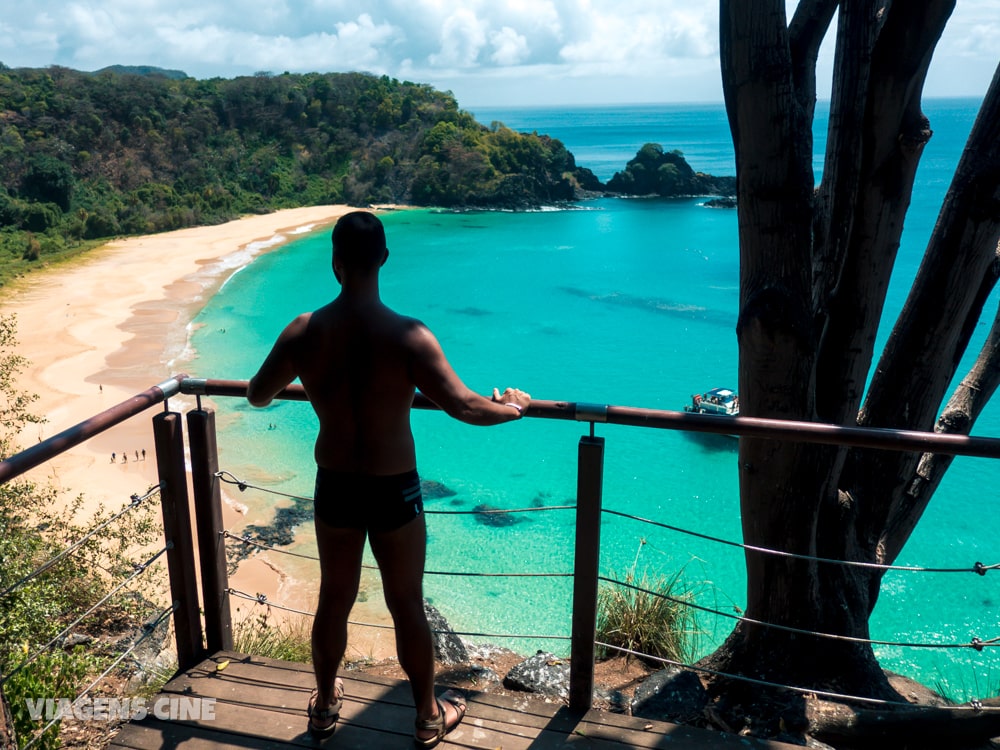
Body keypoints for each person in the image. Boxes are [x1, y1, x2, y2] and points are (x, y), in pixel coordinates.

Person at [247, 210, 530, 746]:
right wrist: (514, 409)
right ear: (383, 259)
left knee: (335, 598)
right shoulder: (408, 334)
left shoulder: (304, 331)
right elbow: (466, 406)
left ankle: (326, 707)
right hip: (394, 486)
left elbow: (258, 395)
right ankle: (426, 716)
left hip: (335, 481)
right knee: (406, 603)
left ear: (335, 264)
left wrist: (313, 379)